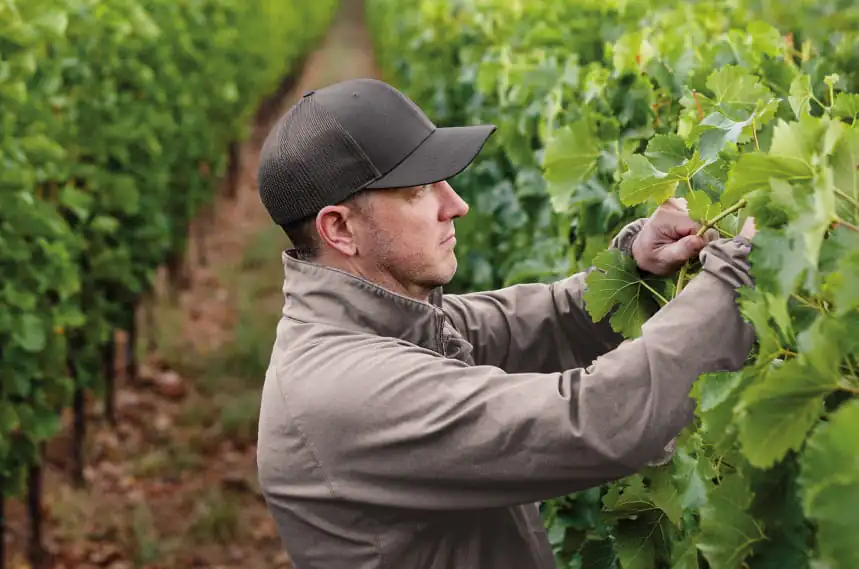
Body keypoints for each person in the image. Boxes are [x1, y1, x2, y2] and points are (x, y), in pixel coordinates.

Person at [253, 78, 757, 569]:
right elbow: (596, 421)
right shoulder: (348, 393)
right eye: (420, 190)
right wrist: (737, 277)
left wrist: (633, 269)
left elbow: (542, 323)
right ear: (339, 228)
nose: (457, 205)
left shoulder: (390, 322)